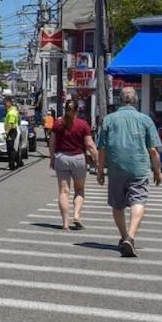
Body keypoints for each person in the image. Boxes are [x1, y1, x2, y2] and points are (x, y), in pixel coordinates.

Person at [96, 86, 162, 258]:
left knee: (117, 205)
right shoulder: (145, 119)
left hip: (116, 168)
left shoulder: (109, 120)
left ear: (119, 100)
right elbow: (153, 150)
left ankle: (124, 236)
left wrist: (100, 170)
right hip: (139, 167)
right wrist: (157, 171)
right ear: (136, 100)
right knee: (138, 201)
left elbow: (101, 148)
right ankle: (131, 237)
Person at [49, 99, 95, 230]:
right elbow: (90, 145)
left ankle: (65, 223)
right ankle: (76, 216)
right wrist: (97, 159)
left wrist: (52, 158)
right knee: (79, 190)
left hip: (62, 158)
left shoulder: (57, 124)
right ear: (77, 111)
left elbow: (52, 143)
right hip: (79, 159)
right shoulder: (83, 125)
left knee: (64, 191)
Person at [3, 94, 23, 171]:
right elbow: (19, 121)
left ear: (9, 103)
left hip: (11, 131)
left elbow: (11, 124)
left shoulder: (11, 113)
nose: (4, 105)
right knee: (12, 148)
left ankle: (12, 165)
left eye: (5, 103)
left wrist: (6, 133)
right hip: (13, 131)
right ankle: (19, 161)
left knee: (10, 149)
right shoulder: (14, 111)